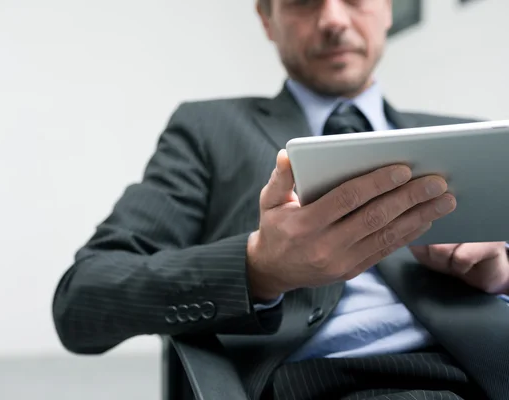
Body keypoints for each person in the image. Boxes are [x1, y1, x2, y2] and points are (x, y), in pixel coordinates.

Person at [52, 0, 509, 399]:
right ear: (266, 19)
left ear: (387, 7)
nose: (332, 18)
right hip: (315, 380)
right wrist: (258, 268)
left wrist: (503, 274)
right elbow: (82, 299)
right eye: (303, 0)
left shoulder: (474, 135)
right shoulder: (207, 129)